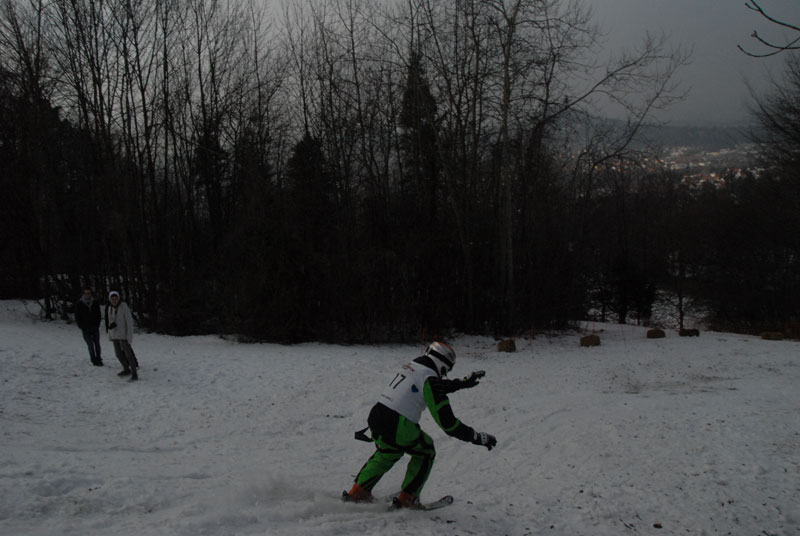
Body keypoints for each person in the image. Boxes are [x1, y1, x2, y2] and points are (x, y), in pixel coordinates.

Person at [343, 341, 497, 508]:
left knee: (389, 451)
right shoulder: (430, 380)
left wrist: (461, 383)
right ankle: (408, 499)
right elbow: (449, 424)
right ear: (442, 364)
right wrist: (476, 437)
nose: (445, 375)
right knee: (426, 451)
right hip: (398, 424)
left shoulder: (414, 366)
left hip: (377, 416)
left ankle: (358, 491)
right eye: (446, 370)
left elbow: (432, 384)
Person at [106, 291, 139, 381]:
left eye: (116, 299)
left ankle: (134, 373)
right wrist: (110, 334)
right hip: (114, 334)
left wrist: (129, 336)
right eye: (112, 299)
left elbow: (129, 322)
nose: (114, 301)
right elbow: (110, 321)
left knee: (128, 354)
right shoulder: (110, 308)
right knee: (118, 354)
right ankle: (126, 369)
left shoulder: (124, 307)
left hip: (124, 335)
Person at [75, 286, 103, 366]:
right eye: (86, 293)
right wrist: (81, 326)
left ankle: (99, 358)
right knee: (90, 345)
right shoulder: (79, 303)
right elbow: (77, 316)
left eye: (89, 293)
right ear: (83, 294)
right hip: (85, 328)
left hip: (94, 327)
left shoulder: (95, 302)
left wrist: (97, 324)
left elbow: (98, 314)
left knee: (97, 344)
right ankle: (93, 359)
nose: (87, 295)